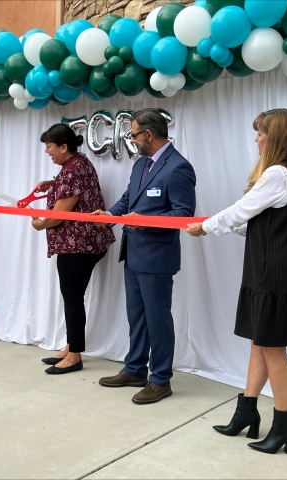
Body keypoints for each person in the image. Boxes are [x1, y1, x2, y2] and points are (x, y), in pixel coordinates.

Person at [186, 109, 287, 455]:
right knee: (259, 344)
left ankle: (284, 424)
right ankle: (246, 412)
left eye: (261, 133)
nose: (256, 138)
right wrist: (224, 223)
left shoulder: (278, 173)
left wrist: (206, 226)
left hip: (272, 274)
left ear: (275, 137)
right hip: (277, 271)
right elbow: (257, 222)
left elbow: (238, 212)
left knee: (273, 349)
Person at [92, 109, 196, 404]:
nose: (133, 140)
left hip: (157, 258)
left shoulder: (178, 168)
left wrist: (146, 221)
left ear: (148, 135)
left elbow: (183, 216)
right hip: (133, 253)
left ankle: (160, 380)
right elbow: (129, 199)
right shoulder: (140, 165)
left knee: (157, 319)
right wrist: (110, 214)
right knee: (136, 317)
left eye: (134, 135)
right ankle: (135, 368)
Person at [31, 124, 115, 375]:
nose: (47, 151)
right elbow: (75, 192)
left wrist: (40, 224)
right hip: (90, 240)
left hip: (78, 244)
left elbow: (58, 217)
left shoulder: (71, 172)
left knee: (72, 297)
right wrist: (52, 184)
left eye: (49, 146)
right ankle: (71, 346)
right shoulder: (79, 163)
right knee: (73, 296)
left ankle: (75, 355)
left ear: (63, 147)